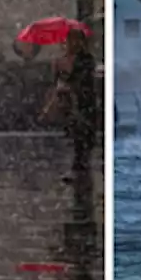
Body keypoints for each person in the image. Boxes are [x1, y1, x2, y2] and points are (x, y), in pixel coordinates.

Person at [41, 29, 98, 175]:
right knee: (77, 135)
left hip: (84, 101)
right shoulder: (66, 60)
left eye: (73, 41)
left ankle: (81, 168)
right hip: (73, 103)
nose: (70, 44)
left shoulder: (85, 59)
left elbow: (80, 79)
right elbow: (58, 81)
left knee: (83, 136)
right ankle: (79, 167)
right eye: (68, 41)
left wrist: (67, 77)